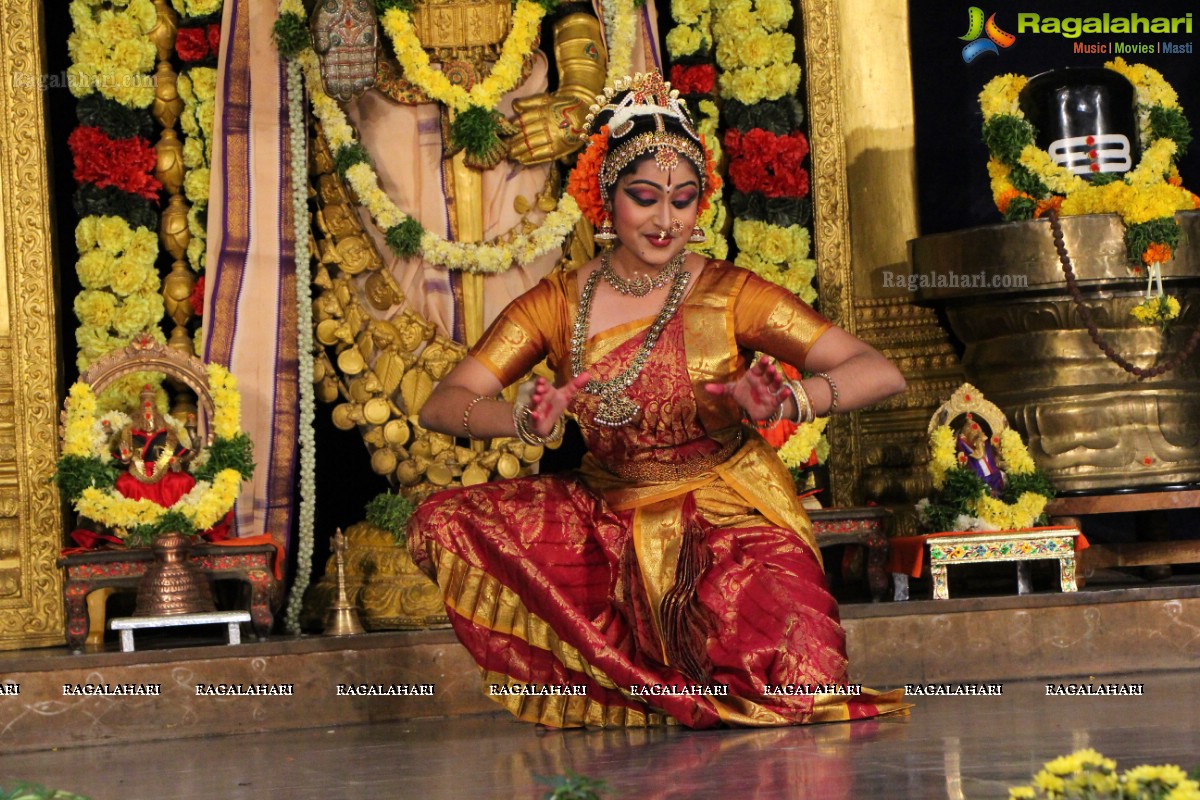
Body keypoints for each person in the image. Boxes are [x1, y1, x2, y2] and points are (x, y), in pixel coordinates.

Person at [408, 72, 908, 728]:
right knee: (442, 521)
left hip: (730, 516)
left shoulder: (731, 292)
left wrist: (790, 401)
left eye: (684, 200)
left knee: (800, 681)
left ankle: (681, 681)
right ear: (603, 198)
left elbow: (879, 371)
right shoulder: (558, 302)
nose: (666, 220)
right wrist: (521, 420)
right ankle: (640, 685)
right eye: (645, 198)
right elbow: (444, 403)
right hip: (610, 518)